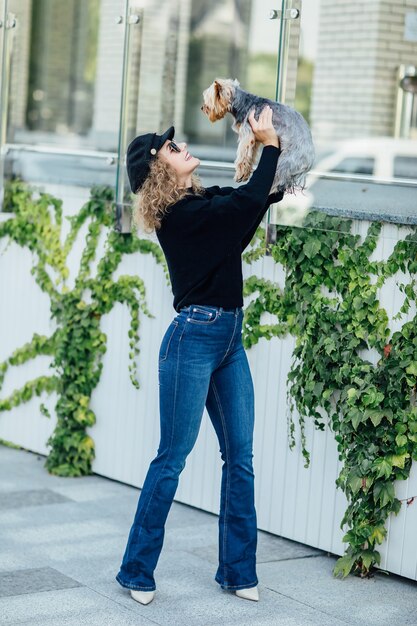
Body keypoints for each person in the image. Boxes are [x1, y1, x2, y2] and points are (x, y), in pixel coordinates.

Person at [115, 106, 283, 605]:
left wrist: (267, 178)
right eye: (171, 147)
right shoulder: (180, 215)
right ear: (159, 170)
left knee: (241, 457)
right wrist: (269, 149)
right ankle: (135, 571)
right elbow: (241, 206)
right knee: (172, 458)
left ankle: (236, 571)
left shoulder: (202, 204)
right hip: (193, 339)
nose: (181, 145)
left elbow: (240, 221)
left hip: (230, 337)